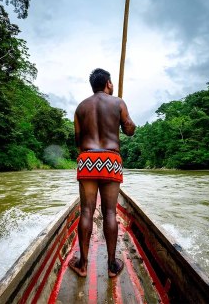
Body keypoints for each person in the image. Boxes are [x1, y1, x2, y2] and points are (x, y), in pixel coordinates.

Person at [69, 68, 136, 278]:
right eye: (112, 82)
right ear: (108, 83)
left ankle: (82, 264)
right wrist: (127, 121)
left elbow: (78, 141)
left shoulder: (81, 107)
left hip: (87, 158)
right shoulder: (118, 103)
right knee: (109, 212)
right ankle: (112, 265)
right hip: (110, 159)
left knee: (86, 211)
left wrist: (88, 158)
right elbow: (130, 130)